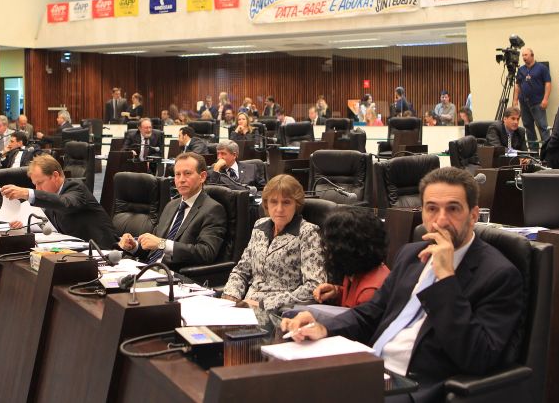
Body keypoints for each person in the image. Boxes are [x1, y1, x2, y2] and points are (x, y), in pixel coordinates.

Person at [281, 167, 524, 401]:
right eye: (432, 209)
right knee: (282, 384)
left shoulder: (499, 275)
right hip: (373, 369)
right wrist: (324, 326)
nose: (440, 220)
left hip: (416, 388)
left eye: (453, 209)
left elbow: (477, 356)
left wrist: (446, 279)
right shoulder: (411, 254)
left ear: (473, 215)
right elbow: (370, 314)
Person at [222, 174, 325, 310]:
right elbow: (241, 271)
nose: (279, 209)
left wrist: (264, 304)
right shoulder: (260, 226)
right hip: (246, 305)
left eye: (286, 202)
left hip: (280, 311)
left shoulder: (308, 232)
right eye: (274, 202)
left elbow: (314, 286)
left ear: (297, 204)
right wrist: (231, 296)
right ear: (266, 204)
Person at [119, 152, 227, 269]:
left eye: (187, 174)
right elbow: (154, 247)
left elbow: (206, 253)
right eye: (177, 174)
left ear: (202, 177)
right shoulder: (171, 205)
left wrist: (162, 244)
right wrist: (134, 246)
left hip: (175, 277)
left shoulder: (213, 209)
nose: (181, 180)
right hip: (149, 269)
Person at [0, 155, 119, 248]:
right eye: (35, 185)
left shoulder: (76, 188)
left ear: (55, 176)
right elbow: (48, 222)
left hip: (103, 249)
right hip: (76, 249)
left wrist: (27, 193)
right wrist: (24, 225)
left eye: (40, 183)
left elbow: (64, 204)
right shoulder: (51, 196)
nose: (38, 189)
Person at [314, 208, 390, 308]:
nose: (327, 250)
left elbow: (354, 320)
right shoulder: (358, 268)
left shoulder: (370, 293)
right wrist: (336, 292)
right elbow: (351, 298)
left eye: (331, 246)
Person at [513, 48, 551, 150]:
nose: (524, 57)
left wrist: (545, 99)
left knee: (543, 127)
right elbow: (517, 85)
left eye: (526, 55)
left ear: (532, 55)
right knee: (528, 127)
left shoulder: (541, 68)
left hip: (538, 102)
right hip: (524, 103)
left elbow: (548, 84)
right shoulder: (521, 70)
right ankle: (534, 152)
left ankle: (548, 151)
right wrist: (515, 100)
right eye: (523, 56)